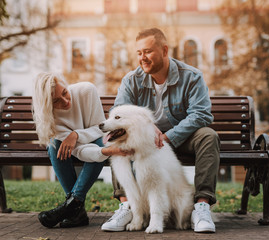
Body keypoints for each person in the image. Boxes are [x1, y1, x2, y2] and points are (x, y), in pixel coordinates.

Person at [101, 28, 220, 233]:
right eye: (139, 53)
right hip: (146, 142)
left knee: (209, 136)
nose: (142, 58)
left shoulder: (191, 77)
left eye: (147, 52)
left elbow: (201, 114)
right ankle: (127, 205)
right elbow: (118, 111)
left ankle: (201, 207)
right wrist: (149, 128)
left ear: (164, 50)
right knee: (118, 139)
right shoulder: (131, 80)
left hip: (182, 138)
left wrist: (167, 136)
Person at [32, 72, 131, 228]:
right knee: (53, 146)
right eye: (57, 101)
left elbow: (100, 130)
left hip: (97, 140)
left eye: (65, 92)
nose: (65, 101)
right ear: (48, 105)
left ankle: (73, 205)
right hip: (78, 150)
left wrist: (75, 135)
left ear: (66, 85)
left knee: (101, 143)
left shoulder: (86, 90)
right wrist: (76, 140)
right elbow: (78, 151)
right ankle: (76, 210)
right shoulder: (49, 120)